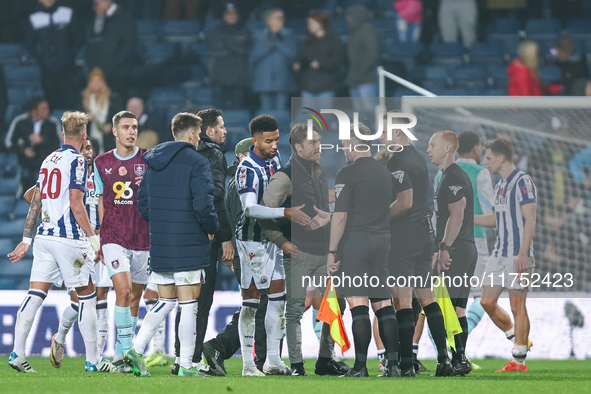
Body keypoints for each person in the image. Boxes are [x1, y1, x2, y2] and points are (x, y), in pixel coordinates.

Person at [7, 111, 116, 373]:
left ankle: (17, 353)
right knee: (87, 297)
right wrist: (93, 239)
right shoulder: (78, 161)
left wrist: (26, 239)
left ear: (62, 133)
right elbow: (77, 204)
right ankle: (93, 361)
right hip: (68, 239)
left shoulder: (48, 159)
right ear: (85, 135)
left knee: (35, 294)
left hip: (44, 238)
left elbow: (35, 199)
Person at [124, 112, 219, 377]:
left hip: (162, 243)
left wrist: (162, 224)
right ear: (191, 135)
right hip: (189, 242)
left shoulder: (153, 161)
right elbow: (203, 203)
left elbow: (142, 202)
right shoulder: (197, 162)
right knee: (189, 303)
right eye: (198, 135)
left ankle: (136, 349)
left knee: (166, 301)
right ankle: (186, 365)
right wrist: (211, 230)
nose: (199, 139)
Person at [258, 123, 348, 377]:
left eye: (319, 141)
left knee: (334, 304)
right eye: (313, 143)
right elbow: (263, 212)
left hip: (324, 251)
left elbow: (320, 207)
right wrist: (282, 242)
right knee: (295, 310)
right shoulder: (284, 176)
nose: (319, 146)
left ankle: (324, 359)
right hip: (299, 253)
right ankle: (297, 365)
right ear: (298, 147)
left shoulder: (317, 171)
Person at [381, 113, 459, 377]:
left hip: (403, 239)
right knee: (427, 300)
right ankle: (444, 360)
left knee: (402, 303)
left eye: (384, 131)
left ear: (398, 133)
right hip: (423, 238)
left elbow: (404, 201)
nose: (380, 136)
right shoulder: (418, 157)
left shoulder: (398, 160)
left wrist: (380, 218)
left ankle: (405, 365)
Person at [235, 115, 308, 376]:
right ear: (255, 141)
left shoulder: (274, 161)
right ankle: (247, 365)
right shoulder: (247, 169)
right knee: (251, 302)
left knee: (278, 300)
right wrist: (284, 213)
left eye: (277, 140)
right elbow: (250, 208)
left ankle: (273, 361)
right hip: (251, 241)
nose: (275, 145)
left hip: (272, 239)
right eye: (268, 141)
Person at [327, 123, 399, 378]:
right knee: (383, 304)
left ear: (353, 145)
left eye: (345, 145)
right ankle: (393, 365)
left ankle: (359, 367)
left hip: (357, 242)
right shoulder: (384, 172)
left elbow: (341, 216)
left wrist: (332, 251)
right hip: (383, 241)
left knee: (359, 306)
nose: (344, 149)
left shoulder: (347, 173)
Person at [170, 108, 234, 374]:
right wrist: (225, 237)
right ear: (208, 131)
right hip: (204, 236)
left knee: (183, 299)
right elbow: (216, 196)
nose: (225, 131)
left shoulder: (174, 154)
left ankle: (179, 357)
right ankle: (193, 359)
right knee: (201, 299)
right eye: (221, 126)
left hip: (177, 233)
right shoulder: (214, 156)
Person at [48, 138, 114, 366]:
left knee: (102, 298)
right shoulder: (67, 176)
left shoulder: (101, 177)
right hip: (76, 244)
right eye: (83, 148)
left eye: (90, 148)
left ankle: (96, 356)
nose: (87, 152)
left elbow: (110, 208)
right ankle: (61, 336)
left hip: (101, 243)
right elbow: (38, 196)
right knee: (79, 302)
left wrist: (102, 237)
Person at [93, 111, 150, 372]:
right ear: (114, 131)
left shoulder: (148, 160)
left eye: (134, 127)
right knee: (123, 291)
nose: (131, 132)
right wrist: (103, 237)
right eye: (126, 127)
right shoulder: (101, 162)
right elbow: (101, 201)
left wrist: (149, 184)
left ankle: (119, 356)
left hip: (143, 238)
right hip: (115, 238)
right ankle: (127, 351)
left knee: (135, 298)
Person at [476, 138, 536, 372]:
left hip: (517, 255)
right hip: (498, 253)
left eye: (489, 157)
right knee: (487, 302)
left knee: (517, 305)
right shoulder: (500, 185)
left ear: (501, 158)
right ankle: (519, 339)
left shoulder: (524, 181)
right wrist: (463, 219)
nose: (485, 162)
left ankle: (519, 361)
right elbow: (494, 219)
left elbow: (530, 219)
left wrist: (523, 253)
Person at [435, 131, 494, 337]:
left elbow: (438, 211)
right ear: (477, 148)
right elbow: (489, 211)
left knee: (445, 297)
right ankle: (460, 340)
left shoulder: (442, 171)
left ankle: (447, 348)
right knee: (482, 296)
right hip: (473, 238)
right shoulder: (481, 172)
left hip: (444, 240)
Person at [427, 130, 476, 375]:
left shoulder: (453, 176)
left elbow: (457, 215)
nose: (428, 150)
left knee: (444, 305)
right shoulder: (452, 175)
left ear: (448, 148)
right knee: (457, 308)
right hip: (465, 248)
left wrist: (444, 247)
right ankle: (460, 358)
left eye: (432, 145)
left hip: (456, 249)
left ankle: (456, 359)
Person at [24, 0, 84, 110]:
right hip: (47, 70)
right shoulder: (34, 17)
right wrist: (41, 59)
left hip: (68, 69)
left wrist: (69, 55)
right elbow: (29, 43)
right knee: (51, 103)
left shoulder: (67, 13)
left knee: (70, 103)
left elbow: (78, 37)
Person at [4, 97, 61, 191]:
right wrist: (23, 150)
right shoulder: (20, 122)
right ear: (34, 111)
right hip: (24, 163)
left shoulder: (52, 123)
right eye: (44, 108)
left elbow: (59, 144)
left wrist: (43, 140)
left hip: (45, 163)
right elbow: (8, 143)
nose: (48, 111)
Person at [85, 0, 138, 98]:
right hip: (98, 74)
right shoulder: (94, 18)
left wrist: (110, 64)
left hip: (118, 75)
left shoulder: (125, 17)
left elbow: (129, 46)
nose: (94, 7)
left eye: (96, 4)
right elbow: (90, 44)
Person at [250, 8, 298, 111]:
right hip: (264, 81)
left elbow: (293, 54)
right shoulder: (259, 36)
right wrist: (269, 43)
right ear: (269, 20)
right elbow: (254, 56)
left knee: (280, 114)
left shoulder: (289, 35)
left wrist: (278, 42)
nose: (281, 20)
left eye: (282, 18)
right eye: (278, 18)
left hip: (283, 80)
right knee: (266, 115)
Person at [207, 3, 252, 109]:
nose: (232, 15)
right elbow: (214, 49)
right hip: (219, 78)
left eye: (234, 13)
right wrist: (236, 44)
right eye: (229, 13)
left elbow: (247, 48)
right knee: (218, 114)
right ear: (224, 15)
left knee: (237, 110)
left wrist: (225, 43)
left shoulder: (245, 29)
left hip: (239, 79)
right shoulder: (216, 30)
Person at [293, 11, 344, 103]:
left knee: (323, 115)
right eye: (308, 23)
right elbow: (302, 57)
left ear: (320, 23)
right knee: (308, 115)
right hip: (308, 85)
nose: (309, 26)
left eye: (311, 23)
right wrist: (299, 63)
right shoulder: (308, 40)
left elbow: (337, 60)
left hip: (326, 86)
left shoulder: (333, 40)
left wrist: (320, 64)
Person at [345, 5, 380, 112]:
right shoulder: (353, 32)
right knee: (359, 115)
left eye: (349, 17)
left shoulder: (368, 30)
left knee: (368, 112)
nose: (347, 19)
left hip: (366, 80)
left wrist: (360, 72)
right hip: (354, 80)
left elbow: (373, 55)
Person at [82, 68, 123, 154]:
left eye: (99, 80)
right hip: (90, 139)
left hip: (109, 139)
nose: (96, 83)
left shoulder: (113, 98)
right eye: (93, 80)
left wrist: (111, 125)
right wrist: (85, 118)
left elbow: (120, 117)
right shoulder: (84, 101)